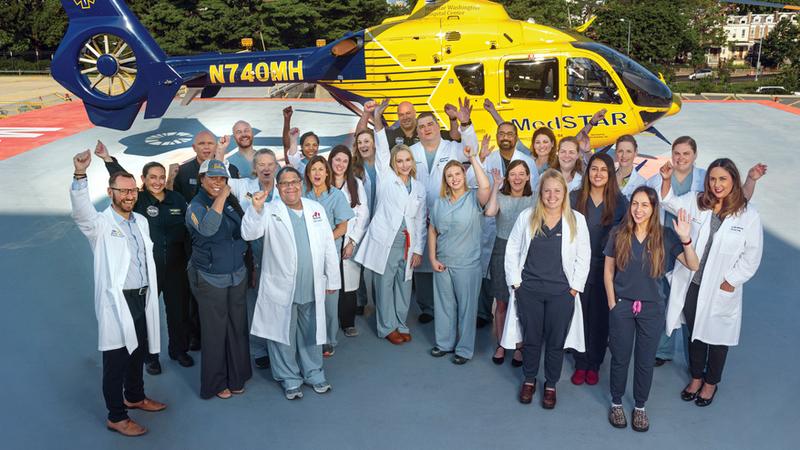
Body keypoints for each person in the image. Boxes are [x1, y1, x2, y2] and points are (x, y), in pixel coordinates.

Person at [70, 148, 166, 437]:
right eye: (122, 191)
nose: (128, 196)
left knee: (138, 352)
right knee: (116, 360)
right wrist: (79, 174)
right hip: (118, 300)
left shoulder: (141, 221)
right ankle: (116, 415)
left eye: (132, 191)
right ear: (110, 192)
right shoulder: (99, 224)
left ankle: (134, 396)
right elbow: (81, 211)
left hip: (142, 296)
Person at [659, 159, 764, 407]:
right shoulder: (699, 203)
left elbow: (752, 254)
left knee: (717, 338)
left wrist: (732, 281)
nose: (717, 185)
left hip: (721, 288)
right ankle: (696, 377)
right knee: (694, 335)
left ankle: (710, 382)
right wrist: (665, 180)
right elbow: (669, 201)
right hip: (693, 284)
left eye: (723, 179)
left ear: (733, 181)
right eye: (713, 179)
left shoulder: (748, 215)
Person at [603, 186, 699, 431]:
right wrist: (613, 304)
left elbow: (693, 264)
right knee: (620, 358)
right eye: (635, 203)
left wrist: (686, 238)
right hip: (623, 306)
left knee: (645, 361)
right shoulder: (618, 233)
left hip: (651, 309)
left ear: (654, 208)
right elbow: (608, 271)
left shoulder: (665, 236)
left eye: (645, 204)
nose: (638, 209)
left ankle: (640, 407)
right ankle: (616, 403)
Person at [241, 166, 341, 400]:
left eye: (294, 181)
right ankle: (289, 378)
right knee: (282, 334)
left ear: (301, 183)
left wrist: (333, 278)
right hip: (282, 288)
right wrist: (255, 209)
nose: (291, 187)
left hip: (311, 284)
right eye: (284, 183)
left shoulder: (315, 209)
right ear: (278, 187)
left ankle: (314, 373)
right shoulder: (269, 211)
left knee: (310, 333)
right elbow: (249, 233)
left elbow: (328, 245)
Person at [94, 142, 194, 374]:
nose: (158, 182)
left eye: (161, 177)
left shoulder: (177, 199)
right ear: (144, 179)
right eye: (152, 178)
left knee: (178, 311)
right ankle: (151, 356)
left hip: (177, 266)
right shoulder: (138, 199)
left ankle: (178, 350)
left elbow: (189, 230)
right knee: (149, 313)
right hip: (148, 269)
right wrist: (108, 159)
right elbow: (121, 179)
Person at [502, 169, 590, 409]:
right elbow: (512, 250)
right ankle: (529, 380)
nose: (552, 196)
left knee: (555, 341)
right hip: (529, 290)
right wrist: (516, 284)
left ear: (564, 194)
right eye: (547, 191)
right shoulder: (527, 217)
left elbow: (584, 256)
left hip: (561, 293)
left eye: (557, 191)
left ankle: (550, 384)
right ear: (540, 193)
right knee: (531, 339)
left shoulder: (576, 220)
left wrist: (574, 289)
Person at [354, 100, 426, 345]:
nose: (404, 164)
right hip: (388, 240)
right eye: (400, 161)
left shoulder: (418, 187)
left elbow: (419, 222)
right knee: (384, 286)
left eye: (408, 161)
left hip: (408, 241)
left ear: (412, 163)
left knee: (404, 285)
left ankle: (401, 322)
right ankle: (387, 327)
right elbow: (382, 145)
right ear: (393, 163)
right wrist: (377, 116)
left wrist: (418, 249)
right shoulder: (386, 177)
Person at [407, 97, 479, 324]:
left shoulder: (453, 148)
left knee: (444, 258)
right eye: (422, 127)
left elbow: (472, 150)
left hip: (448, 214)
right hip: (418, 214)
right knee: (421, 261)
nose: (426, 129)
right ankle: (427, 306)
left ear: (439, 127)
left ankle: (450, 306)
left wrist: (465, 125)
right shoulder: (411, 151)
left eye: (430, 124)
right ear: (417, 132)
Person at [185, 159, 251, 399]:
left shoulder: (232, 203)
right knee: (215, 331)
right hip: (211, 277)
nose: (217, 182)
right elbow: (208, 229)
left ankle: (237, 376)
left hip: (236, 274)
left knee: (237, 327)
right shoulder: (196, 205)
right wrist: (221, 197)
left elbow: (244, 228)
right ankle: (214, 383)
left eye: (222, 178)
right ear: (202, 179)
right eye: (212, 177)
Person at [169, 131, 240, 351]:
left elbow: (236, 208)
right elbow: (175, 203)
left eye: (210, 143)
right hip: (194, 241)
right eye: (202, 143)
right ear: (194, 147)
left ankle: (222, 337)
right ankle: (194, 336)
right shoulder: (183, 172)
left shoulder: (231, 170)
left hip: (222, 247)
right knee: (193, 294)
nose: (207, 147)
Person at [428, 141, 491, 364]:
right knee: (444, 306)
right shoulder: (440, 203)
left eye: (458, 174)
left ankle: (463, 350)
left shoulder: (474, 199)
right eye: (449, 175)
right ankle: (444, 343)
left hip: (467, 265)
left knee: (467, 309)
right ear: (445, 180)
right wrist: (432, 258)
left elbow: (485, 187)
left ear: (464, 176)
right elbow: (433, 230)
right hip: (443, 263)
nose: (454, 178)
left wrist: (473, 158)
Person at [569, 153, 628, 386]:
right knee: (579, 316)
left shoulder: (620, 202)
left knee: (600, 318)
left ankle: (594, 363)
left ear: (610, 174)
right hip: (578, 268)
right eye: (594, 169)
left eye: (604, 169)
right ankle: (580, 362)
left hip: (606, 269)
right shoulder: (574, 198)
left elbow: (625, 239)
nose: (598, 174)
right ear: (587, 172)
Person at [222, 148, 280, 370]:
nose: (266, 168)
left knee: (277, 298)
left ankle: (277, 343)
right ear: (255, 168)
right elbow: (223, 177)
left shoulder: (283, 189)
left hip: (277, 251)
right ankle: (259, 348)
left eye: (270, 164)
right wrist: (220, 151)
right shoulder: (245, 186)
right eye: (261, 165)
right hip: (252, 252)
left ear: (276, 166)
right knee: (254, 301)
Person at [303, 156, 355, 356]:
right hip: (308, 254)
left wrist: (324, 241)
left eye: (320, 169)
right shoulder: (304, 196)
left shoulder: (336, 196)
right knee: (310, 297)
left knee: (329, 298)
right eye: (313, 169)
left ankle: (329, 339)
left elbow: (343, 226)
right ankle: (312, 337)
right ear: (308, 174)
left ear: (327, 173)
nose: (317, 173)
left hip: (329, 253)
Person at [485, 162, 534, 366]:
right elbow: (489, 212)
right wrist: (496, 186)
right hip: (501, 249)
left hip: (526, 252)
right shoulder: (501, 197)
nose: (517, 178)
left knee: (522, 302)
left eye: (521, 174)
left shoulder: (534, 199)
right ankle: (501, 344)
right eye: (512, 174)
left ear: (528, 177)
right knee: (502, 301)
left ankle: (520, 345)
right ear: (507, 177)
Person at [329, 145, 370, 338]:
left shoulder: (356, 184)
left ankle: (347, 322)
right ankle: (328, 323)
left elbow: (363, 214)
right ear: (330, 160)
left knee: (348, 285)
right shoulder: (323, 182)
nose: (340, 164)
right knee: (328, 281)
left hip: (348, 239)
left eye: (345, 161)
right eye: (337, 159)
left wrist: (352, 241)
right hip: (328, 239)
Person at [355, 100, 461, 146]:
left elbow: (454, 137)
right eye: (401, 115)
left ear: (415, 113)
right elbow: (360, 135)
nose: (405, 117)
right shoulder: (391, 136)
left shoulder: (427, 132)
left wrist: (452, 119)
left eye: (408, 113)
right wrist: (366, 112)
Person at [282, 106, 320, 174]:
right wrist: (287, 120)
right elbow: (287, 147)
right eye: (307, 145)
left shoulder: (324, 164)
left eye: (314, 145)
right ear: (301, 147)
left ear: (318, 146)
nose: (311, 148)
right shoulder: (298, 165)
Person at [614, 135, 647, 199]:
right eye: (620, 151)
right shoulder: (607, 179)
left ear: (635, 153)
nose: (624, 156)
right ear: (616, 152)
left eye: (628, 151)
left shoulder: (642, 183)